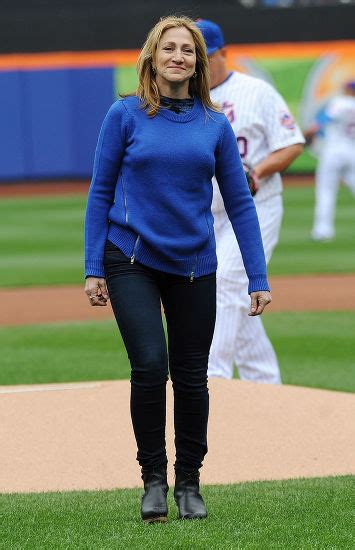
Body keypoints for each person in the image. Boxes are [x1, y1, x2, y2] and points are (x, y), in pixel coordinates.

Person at [84, 15, 271, 523]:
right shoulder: (124, 114)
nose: (178, 57)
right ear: (152, 55)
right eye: (169, 48)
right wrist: (92, 266)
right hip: (130, 259)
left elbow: (239, 203)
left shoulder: (214, 124)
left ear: (199, 62)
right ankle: (153, 479)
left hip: (194, 263)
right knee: (149, 366)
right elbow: (100, 192)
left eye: (187, 50)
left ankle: (189, 480)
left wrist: (257, 275)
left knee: (191, 378)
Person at [196, 19, 304, 384]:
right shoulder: (183, 98)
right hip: (206, 213)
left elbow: (291, 142)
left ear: (223, 53)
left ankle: (212, 378)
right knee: (236, 300)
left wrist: (258, 170)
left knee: (224, 279)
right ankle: (265, 383)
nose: (199, 63)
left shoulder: (256, 91)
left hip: (256, 206)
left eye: (205, 55)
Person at [304, 80, 355, 241]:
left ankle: (323, 231)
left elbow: (321, 122)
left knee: (326, 190)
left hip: (334, 150)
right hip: (351, 150)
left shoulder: (339, 102)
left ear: (346, 89)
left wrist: (308, 135)